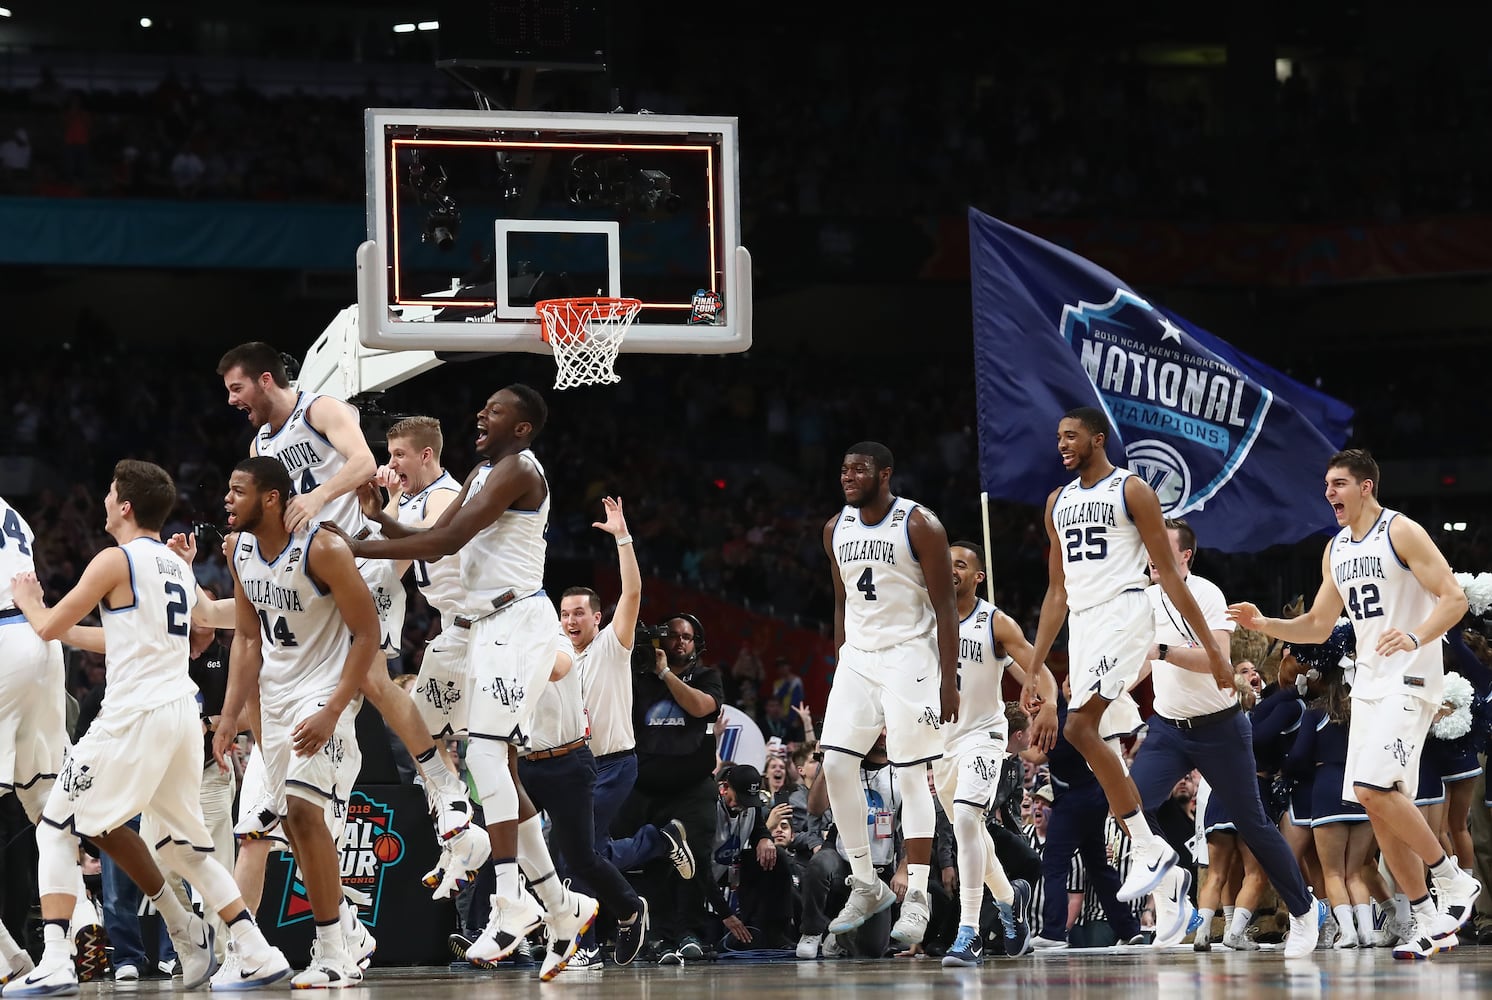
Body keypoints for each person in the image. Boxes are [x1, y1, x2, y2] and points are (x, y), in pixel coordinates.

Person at [330, 384, 597, 981]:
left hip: (517, 619)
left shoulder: (519, 471)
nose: (481, 413)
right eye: (483, 407)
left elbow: (446, 540)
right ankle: (557, 904)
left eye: (496, 410)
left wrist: (354, 543)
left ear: (523, 428)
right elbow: (430, 536)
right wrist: (379, 519)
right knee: (449, 739)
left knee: (486, 755)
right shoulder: (482, 469)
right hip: (479, 629)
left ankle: (509, 900)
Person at [4, 461, 289, 996]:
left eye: (111, 493)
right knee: (184, 848)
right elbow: (120, 637)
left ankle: (57, 957)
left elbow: (46, 625)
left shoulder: (115, 559)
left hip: (133, 715)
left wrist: (27, 602)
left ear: (126, 505)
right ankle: (256, 950)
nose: (105, 501)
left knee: (54, 827)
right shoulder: (175, 565)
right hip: (182, 714)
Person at [216, 343, 484, 880]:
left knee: (373, 680)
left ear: (265, 379)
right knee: (270, 668)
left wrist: (319, 498)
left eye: (236, 388)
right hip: (306, 568)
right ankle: (279, 784)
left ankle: (443, 784)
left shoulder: (320, 408)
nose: (231, 400)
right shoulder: (262, 440)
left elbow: (363, 461)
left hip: (358, 558)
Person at [1228, 448, 1481, 960]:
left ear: (1366, 487)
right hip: (1367, 684)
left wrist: (1414, 636)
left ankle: (1452, 881)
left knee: (1370, 787)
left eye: (1339, 484)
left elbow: (1453, 598)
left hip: (1408, 678)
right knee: (1376, 808)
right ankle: (1429, 919)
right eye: (1327, 484)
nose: (1329, 493)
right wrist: (1264, 625)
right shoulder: (1336, 548)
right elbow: (1320, 624)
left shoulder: (1401, 531)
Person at [1022, 408, 1231, 906]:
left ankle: (1147, 848)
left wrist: (1214, 653)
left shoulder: (1132, 490)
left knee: (1078, 728)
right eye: (1058, 438)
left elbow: (1172, 577)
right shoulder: (1058, 500)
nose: (1062, 445)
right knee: (1102, 745)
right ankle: (1162, 866)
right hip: (1085, 621)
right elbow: (1056, 592)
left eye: (1071, 437)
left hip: (1125, 612)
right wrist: (1035, 665)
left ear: (1098, 439)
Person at [217, 456, 381, 987]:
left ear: (270, 498)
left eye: (237, 491)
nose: (227, 499)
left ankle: (333, 951)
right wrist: (229, 718)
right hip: (274, 699)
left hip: (322, 694)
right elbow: (246, 639)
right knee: (289, 824)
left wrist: (334, 710)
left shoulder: (323, 548)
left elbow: (367, 634)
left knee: (307, 817)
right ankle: (348, 936)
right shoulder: (240, 550)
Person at [1126, 517, 1323, 956]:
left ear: (1185, 556)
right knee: (1130, 805)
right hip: (1167, 726)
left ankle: (1305, 910)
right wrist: (1115, 688)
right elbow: (1138, 662)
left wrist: (1159, 651)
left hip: (1220, 727)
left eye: (1162, 547)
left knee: (1252, 824)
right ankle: (1169, 884)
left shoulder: (1207, 594)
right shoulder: (1142, 598)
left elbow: (1218, 662)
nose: (1152, 555)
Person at [818, 442, 959, 950]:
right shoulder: (835, 528)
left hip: (910, 656)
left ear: (885, 473)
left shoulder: (919, 524)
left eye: (858, 469)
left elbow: (945, 604)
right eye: (843, 469)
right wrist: (842, 658)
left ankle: (917, 896)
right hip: (858, 657)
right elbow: (842, 599)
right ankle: (866, 883)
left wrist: (949, 679)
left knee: (909, 774)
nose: (848, 476)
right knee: (834, 764)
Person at [555, 498, 693, 966]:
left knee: (576, 855)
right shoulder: (557, 658)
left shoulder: (612, 645)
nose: (571, 620)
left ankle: (586, 946)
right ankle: (656, 841)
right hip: (573, 766)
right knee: (587, 852)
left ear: (597, 617)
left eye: (579, 613)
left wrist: (622, 537)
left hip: (613, 763)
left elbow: (632, 593)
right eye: (565, 614)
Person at [363, 415, 487, 896]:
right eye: (389, 455)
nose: (390, 464)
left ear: (426, 455)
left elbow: (394, 560)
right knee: (421, 735)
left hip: (484, 629)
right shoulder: (417, 497)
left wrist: (384, 505)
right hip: (453, 633)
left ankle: (512, 879)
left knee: (495, 758)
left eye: (398, 456)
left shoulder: (438, 498)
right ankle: (458, 836)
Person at [0, 496, 103, 987]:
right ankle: (80, 924)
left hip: (2, 640)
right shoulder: (10, 510)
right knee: (46, 805)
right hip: (40, 639)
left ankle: (9, 959)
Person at [937, 541, 1056, 966]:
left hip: (984, 738)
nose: (952, 569)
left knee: (968, 820)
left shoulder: (995, 623)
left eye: (961, 564)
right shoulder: (924, 617)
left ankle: (967, 933)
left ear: (977, 577)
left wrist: (1051, 702)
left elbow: (1036, 671)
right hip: (941, 744)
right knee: (974, 835)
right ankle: (1010, 901)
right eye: (946, 562)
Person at [615, 614, 725, 965]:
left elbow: (700, 707)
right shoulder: (639, 677)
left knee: (694, 859)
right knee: (649, 865)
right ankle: (659, 936)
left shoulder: (707, 677)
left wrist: (665, 674)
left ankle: (689, 933)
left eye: (687, 637)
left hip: (692, 788)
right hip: (644, 787)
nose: (680, 642)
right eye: (673, 636)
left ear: (698, 643)